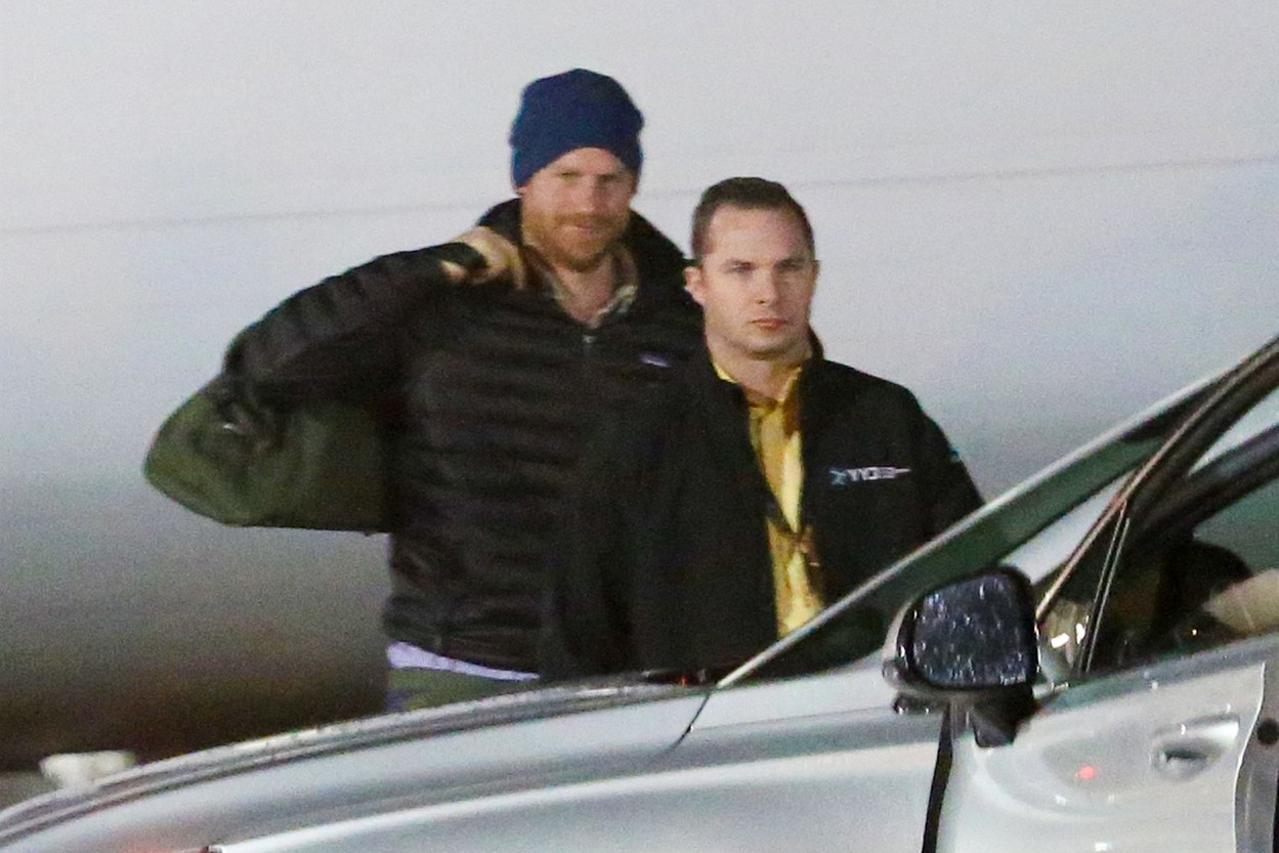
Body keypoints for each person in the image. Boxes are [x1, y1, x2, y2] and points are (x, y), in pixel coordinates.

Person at [222, 69, 701, 709]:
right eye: (566, 177)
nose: (589, 203)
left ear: (634, 184)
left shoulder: (684, 315)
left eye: (609, 180)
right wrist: (427, 271)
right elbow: (264, 365)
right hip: (462, 667)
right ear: (522, 179)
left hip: (629, 671)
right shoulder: (442, 303)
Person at [542, 177, 982, 679]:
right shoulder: (637, 438)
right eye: (741, 270)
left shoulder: (885, 416)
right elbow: (579, 637)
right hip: (714, 720)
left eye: (788, 268)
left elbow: (972, 577)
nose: (768, 293)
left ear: (814, 276)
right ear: (697, 285)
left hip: (875, 707)